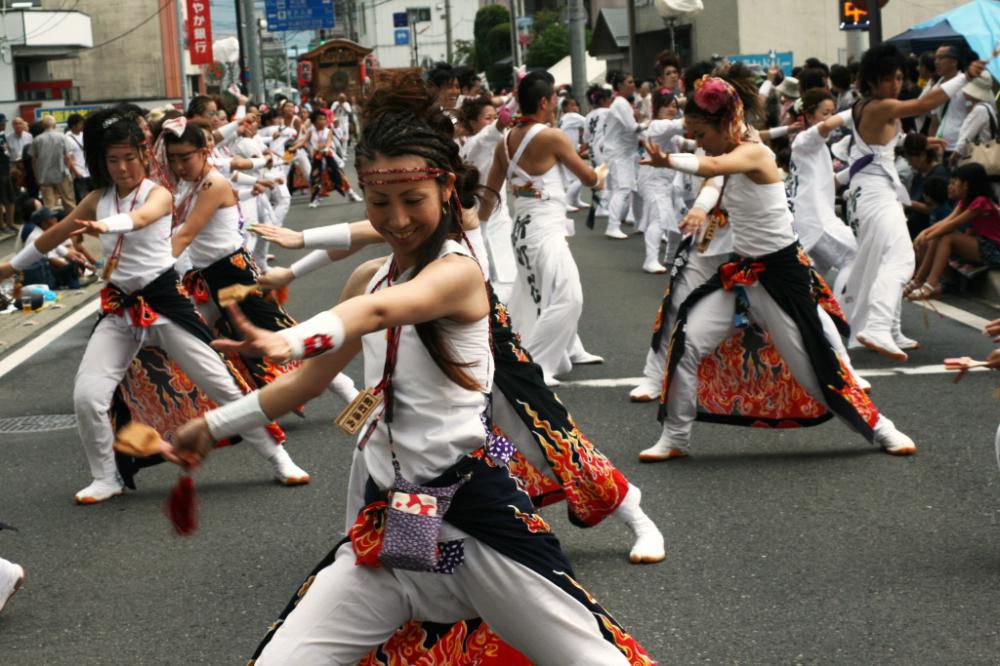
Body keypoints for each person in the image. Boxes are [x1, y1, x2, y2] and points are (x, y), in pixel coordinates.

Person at [166, 75, 652, 666]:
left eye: (412, 201)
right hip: (392, 525)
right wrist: (213, 425)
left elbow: (375, 312)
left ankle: (629, 510)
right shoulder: (366, 278)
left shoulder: (457, 273)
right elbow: (310, 382)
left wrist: (289, 336)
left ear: (446, 190)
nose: (395, 220)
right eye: (379, 203)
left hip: (477, 520)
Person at [0, 107, 309, 504]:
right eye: (114, 160)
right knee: (88, 396)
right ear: (103, 162)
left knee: (223, 385)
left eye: (130, 158)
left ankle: (279, 458)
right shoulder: (97, 199)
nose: (123, 167)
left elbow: (144, 218)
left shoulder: (158, 193)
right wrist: (9, 267)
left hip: (166, 300)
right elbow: (51, 237)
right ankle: (105, 477)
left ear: (145, 156)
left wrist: (106, 227)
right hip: (118, 308)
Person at [638, 69, 916, 461]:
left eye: (702, 136)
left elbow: (715, 170)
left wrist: (669, 161)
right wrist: (698, 204)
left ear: (726, 122)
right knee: (688, 340)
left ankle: (880, 428)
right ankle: (675, 436)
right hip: (740, 273)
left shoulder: (753, 152)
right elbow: (714, 177)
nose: (700, 144)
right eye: (695, 138)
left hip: (780, 274)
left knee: (814, 371)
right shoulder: (727, 151)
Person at [840, 44, 984, 361]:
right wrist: (962, 76)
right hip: (876, 194)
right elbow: (927, 103)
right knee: (902, 260)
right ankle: (877, 326)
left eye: (899, 77)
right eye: (889, 77)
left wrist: (917, 140)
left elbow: (882, 144)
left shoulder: (869, 106)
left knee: (885, 259)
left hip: (875, 192)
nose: (895, 83)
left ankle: (889, 329)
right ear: (873, 79)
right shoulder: (878, 107)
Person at [481, 71, 606, 386]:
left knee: (531, 298)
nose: (555, 105)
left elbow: (490, 195)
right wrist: (601, 174)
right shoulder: (551, 136)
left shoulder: (504, 142)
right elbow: (588, 178)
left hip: (522, 230)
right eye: (553, 99)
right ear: (542, 101)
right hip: (542, 230)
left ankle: (516, 355)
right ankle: (534, 366)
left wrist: (471, 224)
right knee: (568, 296)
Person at [787, 88, 857, 290]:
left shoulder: (818, 147)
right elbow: (826, 127)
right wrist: (861, 110)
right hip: (816, 220)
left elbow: (829, 182)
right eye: (825, 113)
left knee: (808, 283)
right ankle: (844, 313)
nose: (831, 118)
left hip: (815, 220)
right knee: (855, 255)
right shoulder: (804, 140)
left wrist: (856, 169)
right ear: (808, 116)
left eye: (833, 112)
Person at [457, 95, 518, 302]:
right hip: (485, 219)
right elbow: (493, 132)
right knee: (500, 283)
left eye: (494, 117)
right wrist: (510, 107)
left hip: (495, 217)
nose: (491, 122)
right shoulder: (477, 143)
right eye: (487, 118)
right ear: (473, 123)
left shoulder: (489, 143)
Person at [908, 163, 1000, 299]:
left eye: (955, 182)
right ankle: (918, 280)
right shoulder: (965, 202)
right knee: (937, 237)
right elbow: (946, 220)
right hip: (982, 245)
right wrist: (925, 233)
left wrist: (926, 235)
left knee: (947, 237)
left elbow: (953, 224)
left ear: (966, 184)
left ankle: (930, 283)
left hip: (994, 249)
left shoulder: (981, 202)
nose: (951, 186)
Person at [601, 70, 641, 239]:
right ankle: (613, 225)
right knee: (623, 188)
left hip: (625, 152)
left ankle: (638, 221)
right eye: (629, 82)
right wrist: (653, 126)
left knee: (633, 187)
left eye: (633, 82)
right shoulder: (621, 103)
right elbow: (633, 127)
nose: (633, 85)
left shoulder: (622, 102)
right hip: (619, 153)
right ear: (620, 86)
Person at [902, 132, 951, 238]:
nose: (909, 163)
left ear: (922, 156)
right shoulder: (918, 175)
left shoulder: (939, 174)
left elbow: (938, 210)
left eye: (911, 159)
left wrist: (910, 204)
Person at [928, 45, 971, 152]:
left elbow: (972, 116)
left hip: (960, 147)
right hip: (940, 147)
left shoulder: (967, 84)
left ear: (954, 61)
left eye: (941, 58)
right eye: (935, 58)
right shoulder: (936, 88)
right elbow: (934, 122)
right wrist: (931, 145)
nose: (936, 62)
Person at [31, 115, 75, 212]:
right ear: (54, 125)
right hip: (62, 173)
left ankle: (50, 223)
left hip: (44, 176)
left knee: (48, 204)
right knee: (68, 201)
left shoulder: (37, 140)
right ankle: (73, 223)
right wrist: (69, 170)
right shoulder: (62, 137)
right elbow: (68, 157)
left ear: (43, 126)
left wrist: (37, 176)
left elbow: (34, 161)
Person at [952, 71, 997, 164]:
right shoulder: (988, 107)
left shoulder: (979, 110)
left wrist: (954, 155)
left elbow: (967, 137)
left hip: (973, 160)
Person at [558, 96, 587, 213]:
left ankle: (575, 200)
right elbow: (588, 123)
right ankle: (566, 201)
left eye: (576, 105)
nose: (576, 107)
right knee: (581, 175)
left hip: (566, 150)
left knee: (572, 178)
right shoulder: (572, 116)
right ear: (565, 108)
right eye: (572, 105)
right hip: (567, 152)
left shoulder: (563, 118)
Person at [65, 113, 91, 205]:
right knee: (82, 199)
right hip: (79, 173)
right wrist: (75, 172)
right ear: (73, 125)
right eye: (80, 123)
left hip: (89, 171)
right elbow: (68, 157)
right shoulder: (67, 138)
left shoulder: (85, 135)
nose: (82, 125)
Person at [0, 113, 15, 232]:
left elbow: (6, 152)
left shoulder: (2, 136)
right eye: (2, 122)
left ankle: (10, 223)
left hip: (6, 170)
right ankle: (3, 225)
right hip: (1, 172)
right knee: (2, 199)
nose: (4, 124)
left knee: (10, 198)